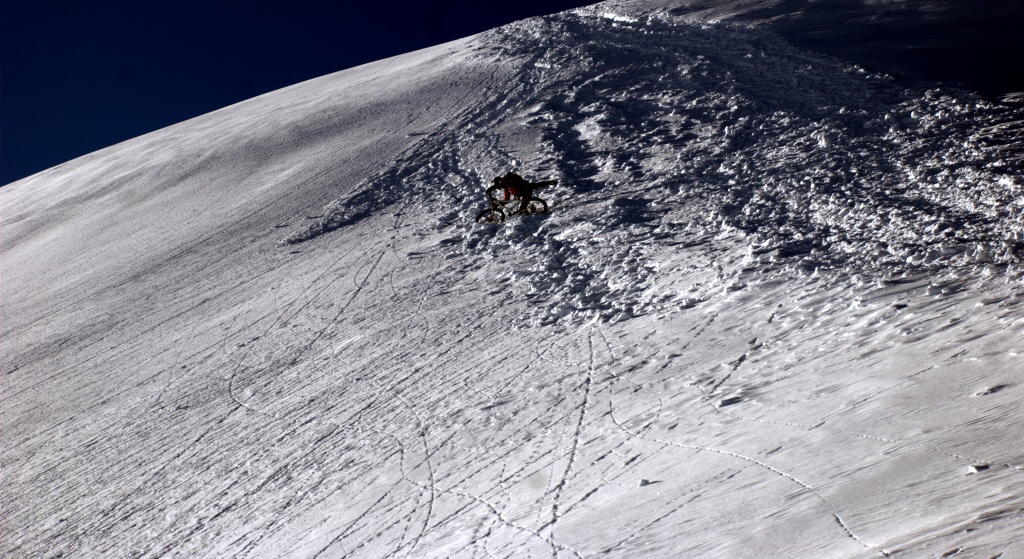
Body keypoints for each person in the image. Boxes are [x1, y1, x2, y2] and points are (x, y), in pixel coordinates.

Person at [490, 172, 557, 213]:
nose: (501, 188)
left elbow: (537, 185)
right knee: (520, 207)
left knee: (522, 208)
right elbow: (506, 199)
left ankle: (529, 213)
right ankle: (524, 210)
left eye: (500, 186)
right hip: (518, 193)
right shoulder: (506, 187)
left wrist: (549, 183)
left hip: (526, 191)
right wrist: (498, 204)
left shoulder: (511, 181)